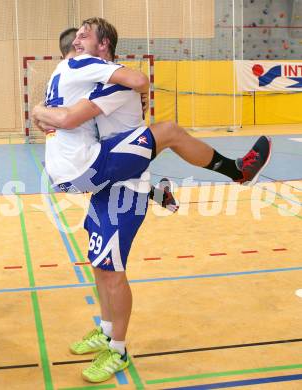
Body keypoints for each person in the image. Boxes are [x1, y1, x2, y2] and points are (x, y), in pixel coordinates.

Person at [32, 18, 272, 383]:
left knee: (169, 133)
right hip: (108, 181)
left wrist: (40, 112)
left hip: (123, 190)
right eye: (73, 43)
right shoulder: (94, 82)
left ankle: (118, 349)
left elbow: (72, 119)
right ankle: (107, 327)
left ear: (103, 49)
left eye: (83, 39)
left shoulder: (111, 87)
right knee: (99, 264)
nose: (75, 48)